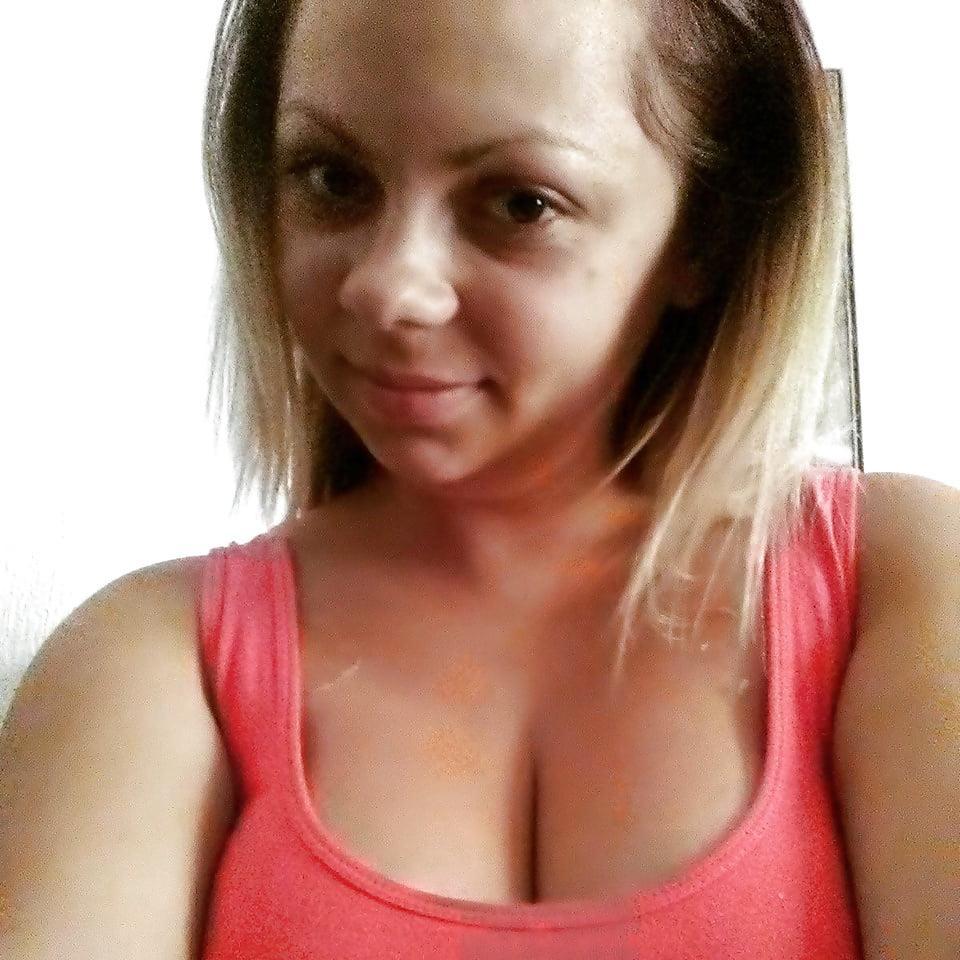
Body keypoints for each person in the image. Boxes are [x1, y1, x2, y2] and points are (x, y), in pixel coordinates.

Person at [2, 0, 958, 957]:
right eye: (333, 179)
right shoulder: (156, 659)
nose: (387, 286)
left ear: (707, 232)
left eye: (520, 204)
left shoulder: (894, 580)